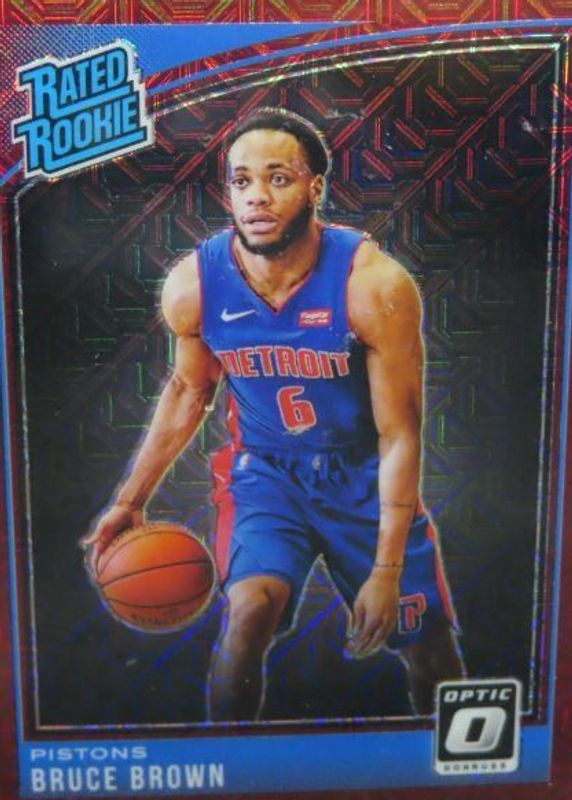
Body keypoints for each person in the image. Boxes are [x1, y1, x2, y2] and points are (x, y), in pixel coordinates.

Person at [84, 108, 464, 721]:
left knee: (428, 648)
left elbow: (399, 436)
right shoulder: (194, 285)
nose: (256, 196)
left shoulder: (373, 285)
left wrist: (387, 570)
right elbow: (188, 391)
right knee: (247, 616)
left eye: (278, 178)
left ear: (315, 187)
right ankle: (228, 762)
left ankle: (462, 760)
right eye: (241, 181)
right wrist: (130, 500)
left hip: (363, 476)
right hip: (266, 474)